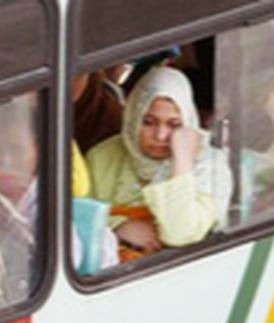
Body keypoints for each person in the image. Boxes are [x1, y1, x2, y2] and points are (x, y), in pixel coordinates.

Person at [86, 65, 232, 261]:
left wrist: (182, 162)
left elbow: (182, 233)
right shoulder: (102, 156)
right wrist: (118, 226)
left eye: (174, 125)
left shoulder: (210, 165)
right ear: (133, 116)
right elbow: (78, 220)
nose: (160, 136)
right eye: (148, 122)